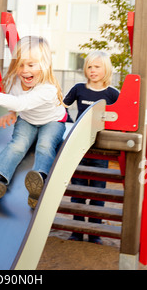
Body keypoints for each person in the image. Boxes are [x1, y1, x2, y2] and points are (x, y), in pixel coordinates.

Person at [0, 36, 67, 208]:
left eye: (31, 65)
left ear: (45, 65)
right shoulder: (15, 82)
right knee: (17, 145)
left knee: (45, 145)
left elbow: (23, 102)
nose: (24, 70)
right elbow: (15, 99)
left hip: (52, 121)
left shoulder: (48, 88)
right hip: (27, 119)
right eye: (20, 65)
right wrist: (11, 112)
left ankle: (40, 181)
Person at [63, 50, 119, 244]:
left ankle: (95, 233)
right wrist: (71, 123)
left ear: (106, 69)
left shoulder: (112, 94)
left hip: (100, 150)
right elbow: (62, 106)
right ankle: (77, 230)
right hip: (79, 147)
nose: (92, 70)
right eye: (89, 66)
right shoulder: (79, 88)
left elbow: (119, 119)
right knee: (77, 189)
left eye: (97, 67)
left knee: (98, 191)